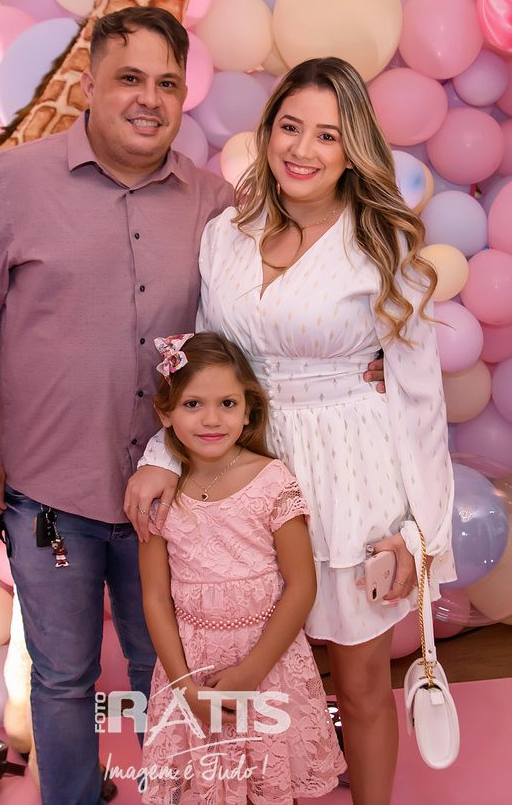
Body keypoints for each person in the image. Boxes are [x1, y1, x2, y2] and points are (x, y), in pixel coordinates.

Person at [126, 57, 455, 805]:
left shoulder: (382, 246)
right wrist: (162, 454)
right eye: (289, 127)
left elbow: (420, 400)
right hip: (244, 472)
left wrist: (419, 534)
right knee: (265, 673)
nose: (302, 150)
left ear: (353, 150)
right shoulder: (226, 235)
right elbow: (202, 363)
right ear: (267, 131)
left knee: (360, 681)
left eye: (327, 135)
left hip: (353, 476)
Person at [0, 6, 234, 805]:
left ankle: (174, 793)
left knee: (164, 669)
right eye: (129, 78)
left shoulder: (213, 203)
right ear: (88, 84)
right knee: (62, 675)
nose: (149, 99)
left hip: (168, 496)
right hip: (47, 497)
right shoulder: (15, 182)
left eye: (167, 83)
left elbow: (249, 327)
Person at [139, 331, 346, 804]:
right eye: (192, 404)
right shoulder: (160, 493)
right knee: (206, 786)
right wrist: (184, 688)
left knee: (270, 784)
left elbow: (301, 585)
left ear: (249, 410)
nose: (211, 419)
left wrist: (251, 672)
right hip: (191, 667)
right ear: (165, 413)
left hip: (268, 664)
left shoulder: (271, 481)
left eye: (227, 404)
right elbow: (154, 596)